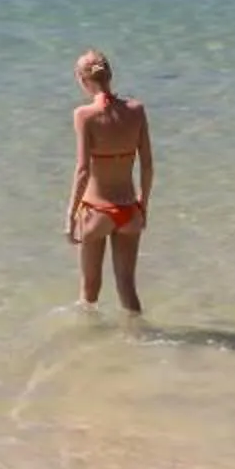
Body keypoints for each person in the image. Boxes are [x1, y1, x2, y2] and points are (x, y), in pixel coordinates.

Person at [65, 49, 153, 313]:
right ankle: (139, 338)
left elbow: (82, 170)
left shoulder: (84, 115)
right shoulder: (136, 110)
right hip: (129, 211)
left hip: (96, 212)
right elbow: (147, 166)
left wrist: (70, 214)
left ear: (82, 80)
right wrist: (143, 205)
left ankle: (89, 345)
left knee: (90, 289)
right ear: (110, 75)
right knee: (127, 286)